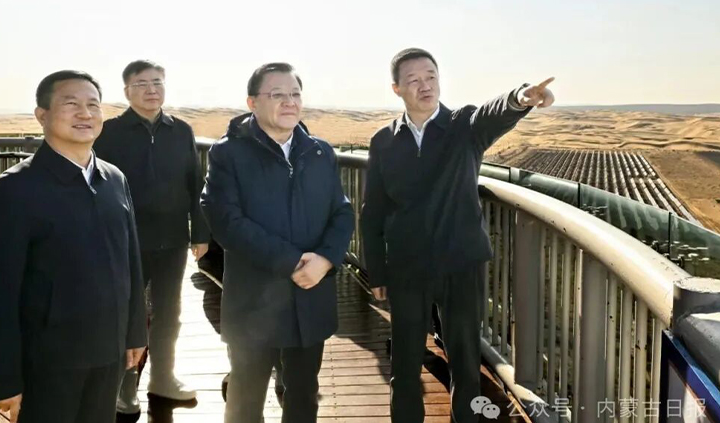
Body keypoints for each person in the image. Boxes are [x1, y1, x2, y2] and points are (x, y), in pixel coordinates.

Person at [361, 48, 555, 422]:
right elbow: (373, 213)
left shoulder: (463, 126)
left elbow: (493, 113)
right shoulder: (383, 141)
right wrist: (377, 273)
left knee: (465, 365)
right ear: (397, 88)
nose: (425, 86)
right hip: (407, 268)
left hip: (461, 265)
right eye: (414, 80)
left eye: (431, 76)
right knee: (404, 366)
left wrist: (521, 97)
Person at [0, 70, 147, 423]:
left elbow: (130, 263)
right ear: (42, 115)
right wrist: (2, 378)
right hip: (46, 362)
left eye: (93, 105)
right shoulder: (12, 191)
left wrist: (135, 332)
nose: (85, 113)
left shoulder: (115, 179)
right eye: (71, 104)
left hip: (109, 353)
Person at [201, 62, 355, 423]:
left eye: (295, 94)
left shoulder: (320, 152)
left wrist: (326, 259)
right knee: (245, 398)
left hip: (310, 295)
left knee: (303, 395)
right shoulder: (228, 153)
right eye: (277, 94)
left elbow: (342, 212)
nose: (290, 102)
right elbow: (226, 221)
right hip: (254, 300)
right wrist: (292, 262)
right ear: (252, 102)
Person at [94, 60, 209, 415]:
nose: (151, 90)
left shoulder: (181, 130)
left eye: (157, 82)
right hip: (125, 242)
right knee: (128, 317)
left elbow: (195, 184)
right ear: (126, 91)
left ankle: (163, 379)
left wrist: (200, 232)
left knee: (169, 314)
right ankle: (125, 387)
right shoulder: (109, 132)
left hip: (172, 239)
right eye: (142, 84)